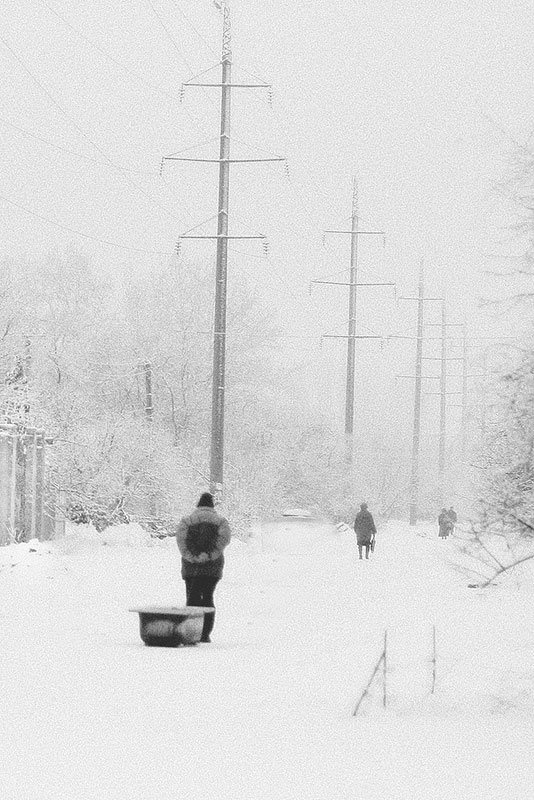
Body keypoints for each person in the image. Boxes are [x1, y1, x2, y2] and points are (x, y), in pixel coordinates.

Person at [175, 492, 231, 643]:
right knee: (207, 597)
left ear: (198, 505)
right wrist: (210, 554)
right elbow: (224, 539)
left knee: (192, 597)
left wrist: (193, 556)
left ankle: (192, 631)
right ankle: (205, 633)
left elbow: (181, 541)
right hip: (212, 568)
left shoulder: (187, 521)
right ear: (212, 506)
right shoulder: (221, 522)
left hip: (191, 568)